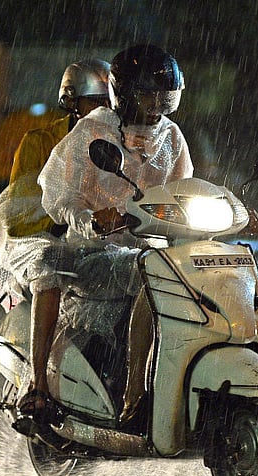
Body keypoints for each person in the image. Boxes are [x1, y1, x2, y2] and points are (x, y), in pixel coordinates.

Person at [22, 44, 194, 423]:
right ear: (125, 95)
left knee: (182, 275)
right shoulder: (93, 131)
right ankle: (43, 385)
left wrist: (229, 213)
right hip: (93, 252)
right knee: (49, 262)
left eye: (163, 97)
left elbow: (186, 191)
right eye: (148, 96)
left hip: (147, 251)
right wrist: (91, 220)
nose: (156, 107)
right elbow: (57, 195)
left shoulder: (172, 137)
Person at [0, 58, 111, 407]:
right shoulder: (40, 141)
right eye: (95, 103)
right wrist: (73, 223)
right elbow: (25, 208)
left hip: (98, 239)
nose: (103, 111)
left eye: (109, 103)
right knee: (49, 265)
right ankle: (38, 384)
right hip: (40, 237)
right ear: (71, 101)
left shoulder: (128, 142)